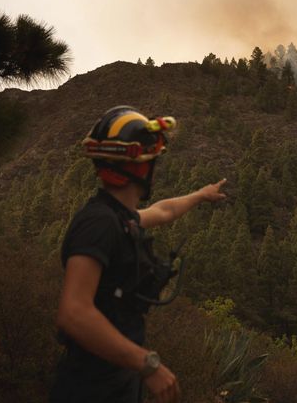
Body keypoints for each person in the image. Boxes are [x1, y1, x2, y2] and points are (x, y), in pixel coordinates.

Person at [50, 106, 227, 403]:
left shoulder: (120, 218)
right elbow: (74, 312)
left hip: (112, 383)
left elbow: (163, 210)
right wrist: (147, 364)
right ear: (141, 165)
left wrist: (200, 195)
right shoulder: (100, 224)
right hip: (91, 388)